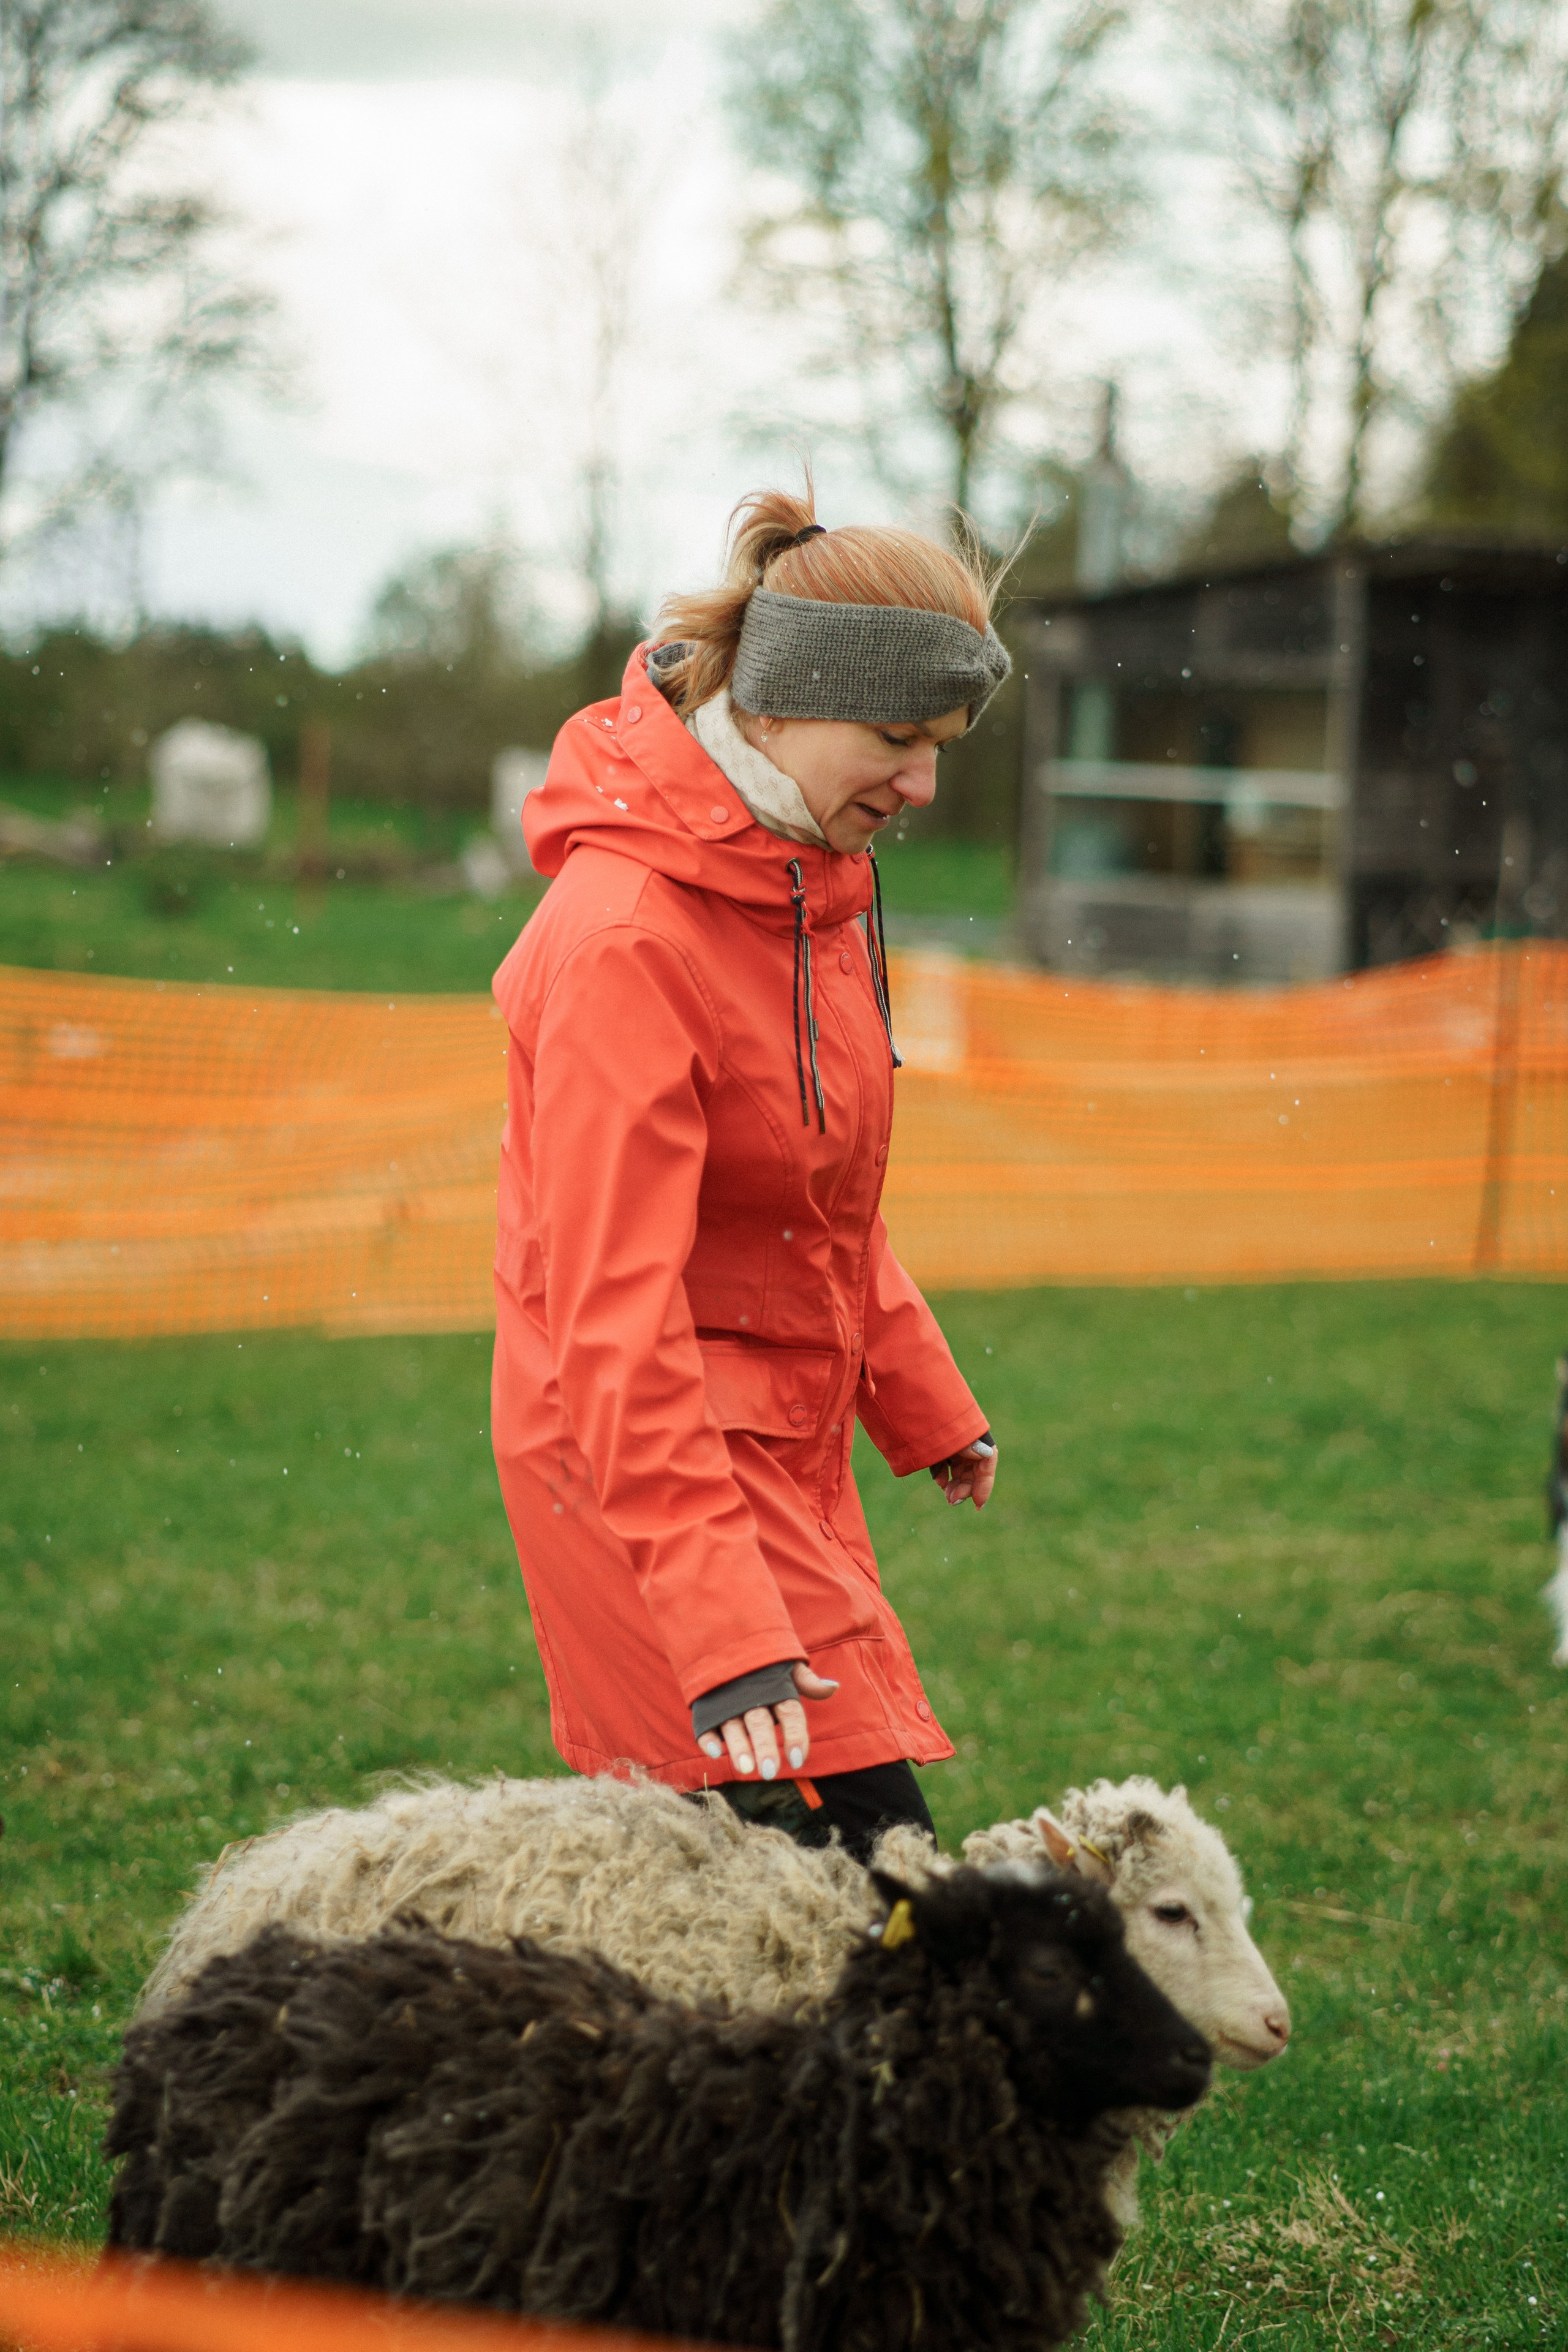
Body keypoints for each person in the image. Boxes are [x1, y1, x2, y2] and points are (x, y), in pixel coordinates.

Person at [490, 487, 1005, 1861]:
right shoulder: (632, 940)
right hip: (652, 1485)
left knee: (779, 1916)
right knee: (870, 1897)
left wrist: (921, 1399)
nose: (922, 785)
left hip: (760, 1455)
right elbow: (612, 1312)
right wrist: (720, 1628)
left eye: (942, 747)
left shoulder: (801, 891)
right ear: (778, 707)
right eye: (898, 739)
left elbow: (804, 1206)